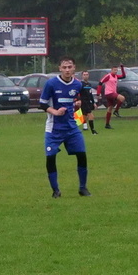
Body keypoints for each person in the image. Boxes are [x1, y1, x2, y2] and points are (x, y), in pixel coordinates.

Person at [40, 57, 90, 197]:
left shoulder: (77, 84)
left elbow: (78, 99)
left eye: (69, 67)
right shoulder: (51, 83)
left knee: (82, 155)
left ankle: (83, 188)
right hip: (54, 128)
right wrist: (55, 112)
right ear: (60, 68)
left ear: (74, 68)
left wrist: (77, 103)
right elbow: (42, 104)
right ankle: (55, 190)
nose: (67, 70)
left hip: (71, 127)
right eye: (64, 67)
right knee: (51, 157)